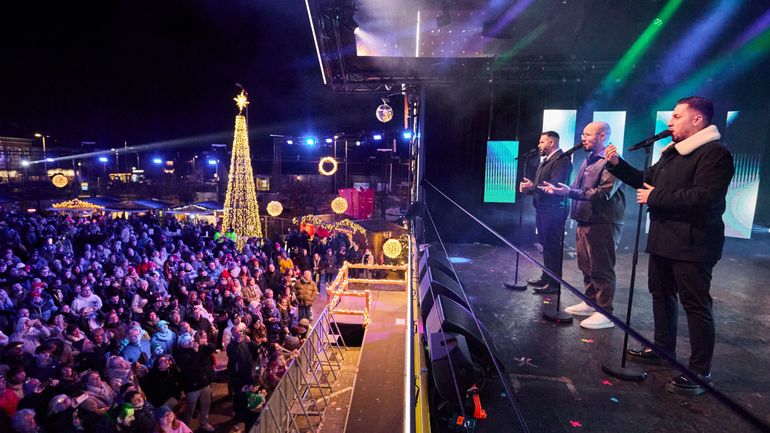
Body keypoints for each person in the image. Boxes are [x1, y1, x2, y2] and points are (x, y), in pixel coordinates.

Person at [605, 96, 733, 395]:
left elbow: (705, 197)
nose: (670, 121)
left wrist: (655, 198)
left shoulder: (715, 154)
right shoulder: (672, 153)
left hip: (694, 242)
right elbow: (644, 181)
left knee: (696, 306)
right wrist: (617, 165)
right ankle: (662, 350)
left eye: (676, 116)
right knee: (661, 295)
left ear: (698, 120)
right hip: (664, 238)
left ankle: (701, 372)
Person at [540, 121, 625, 329]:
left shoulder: (612, 161)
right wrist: (564, 190)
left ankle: (605, 312)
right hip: (585, 219)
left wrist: (568, 192)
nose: (583, 138)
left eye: (588, 134)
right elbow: (580, 189)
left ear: (602, 136)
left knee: (601, 267)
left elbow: (604, 192)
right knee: (586, 264)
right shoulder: (589, 160)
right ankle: (590, 302)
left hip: (603, 221)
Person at [518, 131, 573, 294]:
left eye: (542, 142)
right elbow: (540, 184)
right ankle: (546, 277)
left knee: (553, 247)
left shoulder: (561, 160)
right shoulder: (547, 161)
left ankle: (554, 284)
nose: (539, 145)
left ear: (551, 143)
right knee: (546, 246)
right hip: (543, 209)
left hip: (554, 210)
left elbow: (554, 186)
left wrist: (532, 187)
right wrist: (530, 187)